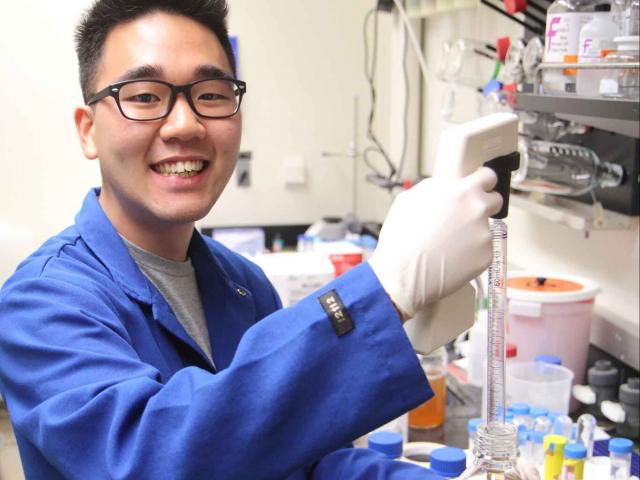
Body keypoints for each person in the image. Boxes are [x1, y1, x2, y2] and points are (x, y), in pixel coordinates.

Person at [0, 1, 539, 479]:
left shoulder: (242, 285)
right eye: (144, 96)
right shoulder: (42, 304)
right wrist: (384, 289)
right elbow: (149, 458)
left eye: (211, 93)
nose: (185, 124)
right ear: (88, 129)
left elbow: (304, 456)